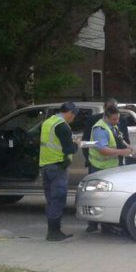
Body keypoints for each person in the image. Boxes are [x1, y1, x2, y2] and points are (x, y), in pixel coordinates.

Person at [85, 106, 134, 233]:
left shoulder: (112, 126)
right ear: (106, 117)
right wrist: (123, 152)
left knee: (108, 196)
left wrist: (129, 148)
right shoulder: (100, 129)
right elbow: (103, 150)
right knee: (97, 197)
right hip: (99, 167)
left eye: (118, 118)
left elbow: (120, 139)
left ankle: (107, 224)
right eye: (114, 119)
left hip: (110, 168)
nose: (117, 121)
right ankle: (95, 224)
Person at [39, 102, 80, 241]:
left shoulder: (48, 122)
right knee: (58, 199)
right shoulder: (62, 126)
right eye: (74, 116)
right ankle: (54, 232)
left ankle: (52, 230)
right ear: (70, 113)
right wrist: (77, 144)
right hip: (58, 166)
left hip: (46, 165)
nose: (73, 119)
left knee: (50, 200)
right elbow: (69, 149)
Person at [83, 98, 132, 167]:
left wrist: (128, 148)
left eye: (115, 108)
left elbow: (122, 138)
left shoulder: (116, 122)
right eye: (110, 109)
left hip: (115, 163)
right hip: (100, 165)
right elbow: (87, 142)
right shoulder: (98, 126)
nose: (117, 121)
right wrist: (88, 159)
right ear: (104, 109)